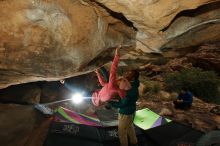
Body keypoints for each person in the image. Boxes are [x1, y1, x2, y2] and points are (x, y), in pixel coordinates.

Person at [109, 70, 140, 146]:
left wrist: (111, 103)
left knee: (122, 132)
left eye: (129, 73)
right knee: (130, 126)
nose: (126, 74)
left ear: (133, 77)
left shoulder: (129, 92)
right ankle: (134, 142)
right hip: (132, 111)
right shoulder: (135, 84)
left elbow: (122, 104)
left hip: (125, 113)